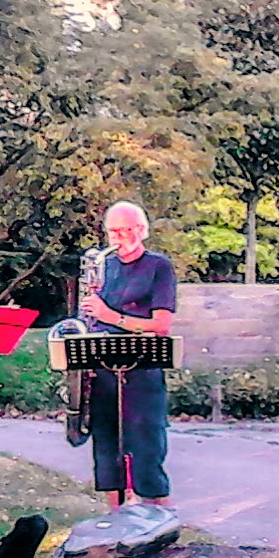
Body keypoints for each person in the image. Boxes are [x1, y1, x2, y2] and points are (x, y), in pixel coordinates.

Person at [81, 202, 176, 508]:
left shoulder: (158, 267)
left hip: (141, 373)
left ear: (142, 230)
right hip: (101, 372)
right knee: (108, 454)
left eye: (127, 230)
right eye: (113, 231)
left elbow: (161, 325)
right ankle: (115, 522)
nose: (120, 237)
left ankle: (160, 523)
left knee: (147, 454)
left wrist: (110, 316)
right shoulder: (102, 266)